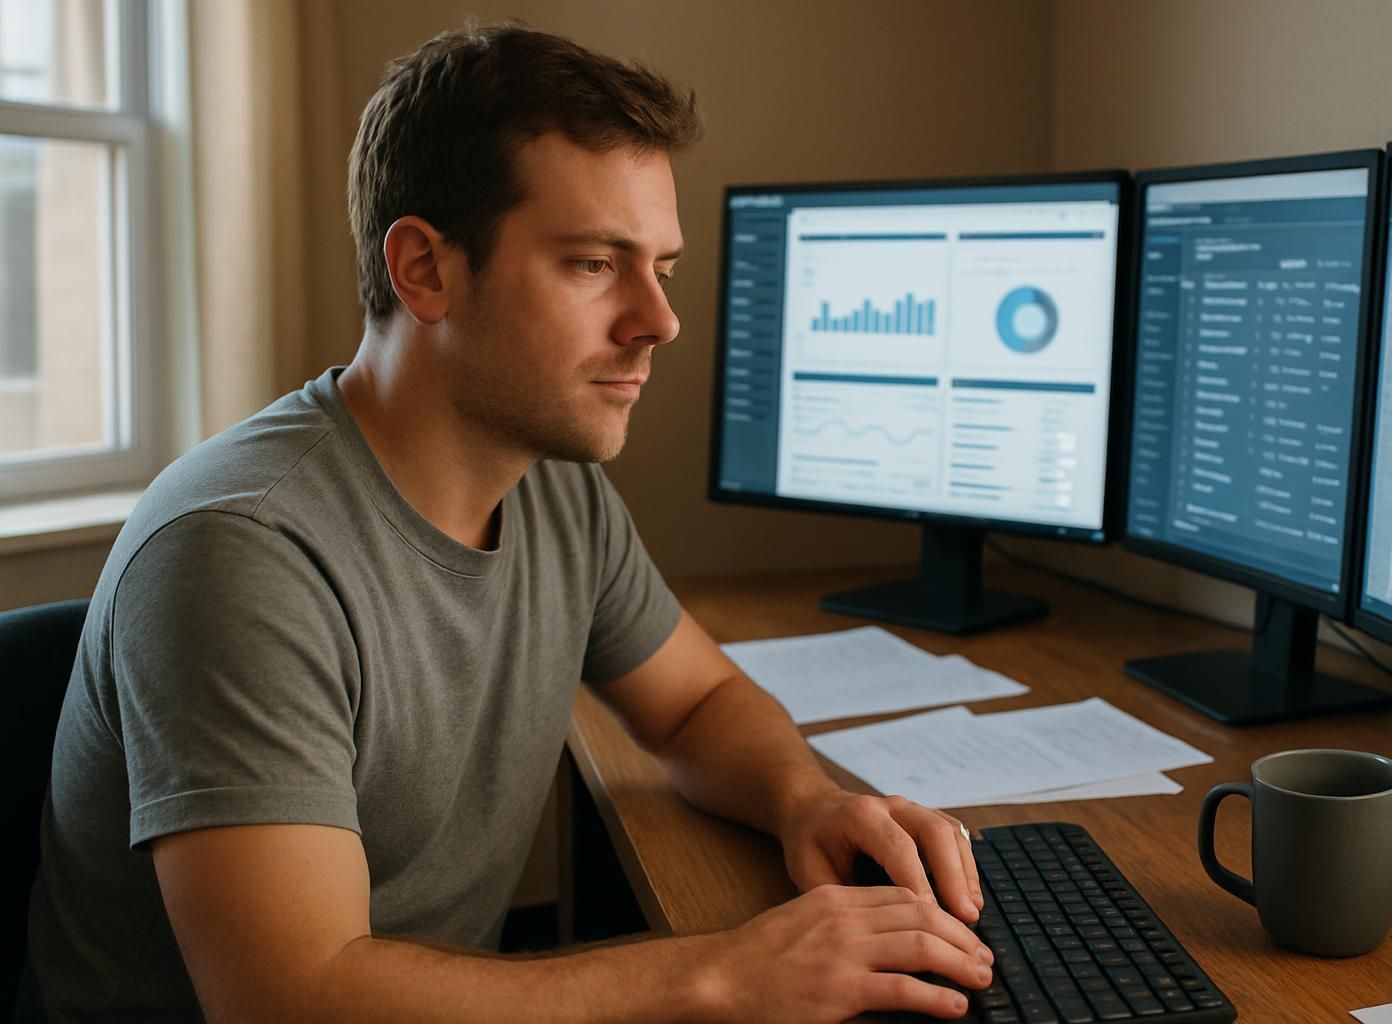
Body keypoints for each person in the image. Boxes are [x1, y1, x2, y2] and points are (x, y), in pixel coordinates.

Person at [23, 23, 992, 1024]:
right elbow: (289, 998)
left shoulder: (550, 481)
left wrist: (808, 801)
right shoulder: (239, 550)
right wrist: (721, 973)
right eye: (591, 264)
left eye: (661, 265)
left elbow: (697, 704)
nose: (658, 321)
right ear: (424, 270)